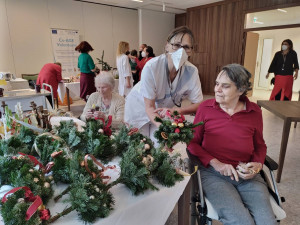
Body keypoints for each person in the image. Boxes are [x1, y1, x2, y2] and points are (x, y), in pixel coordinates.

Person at [188, 64, 277, 225]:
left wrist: (257, 165)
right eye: (217, 84)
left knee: (268, 222)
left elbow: (259, 145)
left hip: (246, 174)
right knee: (241, 221)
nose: (217, 89)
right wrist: (216, 164)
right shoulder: (206, 108)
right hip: (214, 174)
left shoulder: (254, 111)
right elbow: (193, 144)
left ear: (241, 90)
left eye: (225, 86)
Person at [124, 26, 203, 143]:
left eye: (186, 47)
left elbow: (198, 103)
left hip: (162, 110)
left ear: (191, 50)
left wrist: (179, 111)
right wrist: (165, 128)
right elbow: (149, 107)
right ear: (167, 46)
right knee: (141, 146)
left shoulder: (192, 71)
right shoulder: (152, 66)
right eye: (176, 45)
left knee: (159, 146)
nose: (181, 51)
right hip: (139, 108)